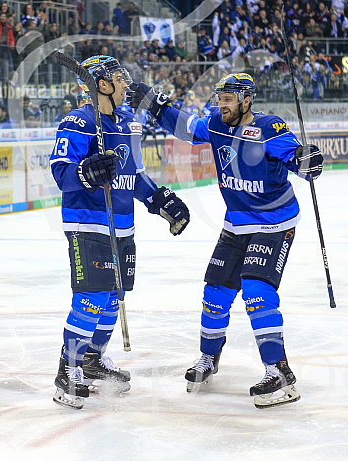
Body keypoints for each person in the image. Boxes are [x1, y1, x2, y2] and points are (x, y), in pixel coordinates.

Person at [129, 72, 324, 408]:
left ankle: (279, 373)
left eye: (229, 100)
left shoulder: (268, 128)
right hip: (236, 224)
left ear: (247, 101)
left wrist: (305, 162)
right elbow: (186, 127)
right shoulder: (217, 124)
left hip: (274, 223)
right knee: (215, 292)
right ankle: (208, 358)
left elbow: (294, 155)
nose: (222, 105)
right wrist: (155, 105)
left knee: (256, 292)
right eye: (220, 99)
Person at [49, 55, 190, 410]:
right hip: (87, 222)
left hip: (122, 223)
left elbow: (135, 175)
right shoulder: (77, 121)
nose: (126, 83)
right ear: (100, 84)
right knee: (91, 299)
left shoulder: (127, 121)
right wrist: (86, 172)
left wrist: (161, 199)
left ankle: (92, 359)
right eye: (118, 78)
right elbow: (61, 174)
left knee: (114, 298)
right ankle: (68, 369)